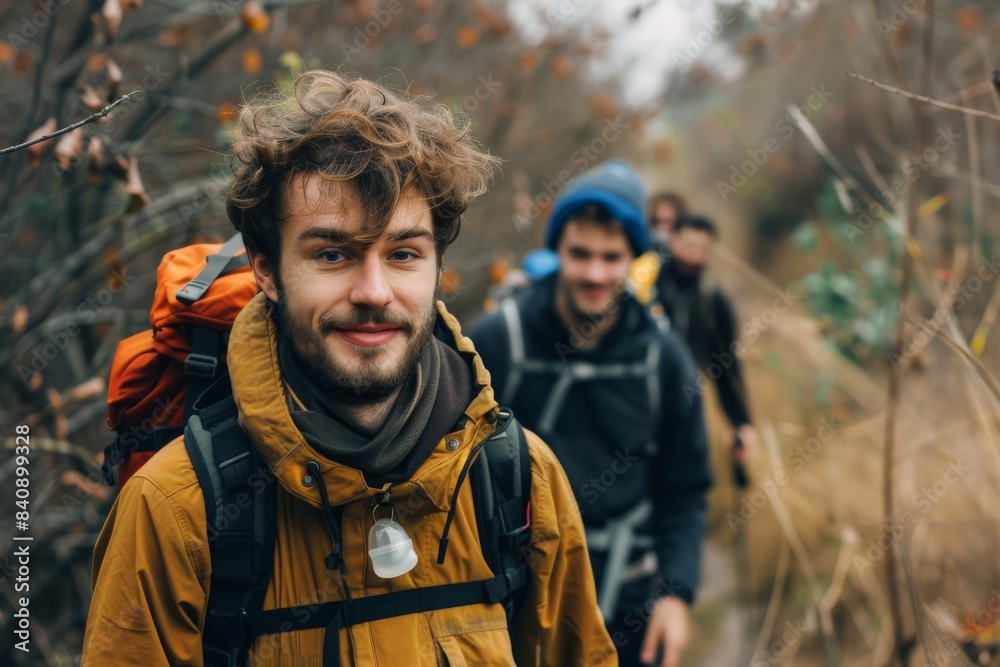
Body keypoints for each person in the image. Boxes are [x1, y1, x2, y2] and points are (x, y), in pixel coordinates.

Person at [81, 71, 615, 666]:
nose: (374, 292)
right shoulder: (175, 512)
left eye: (404, 253)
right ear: (266, 271)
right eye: (332, 254)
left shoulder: (519, 482)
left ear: (438, 265)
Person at [467, 161, 712, 667]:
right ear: (556, 250)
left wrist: (676, 593)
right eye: (580, 254)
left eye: (611, 257)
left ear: (635, 259)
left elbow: (684, 489)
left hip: (628, 603)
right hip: (513, 600)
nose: (595, 273)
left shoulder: (663, 360)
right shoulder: (496, 341)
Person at [654, 213, 755, 463]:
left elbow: (726, 363)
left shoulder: (713, 301)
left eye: (702, 248)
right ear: (672, 241)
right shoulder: (646, 287)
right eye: (687, 245)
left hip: (683, 401)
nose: (693, 255)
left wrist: (739, 421)